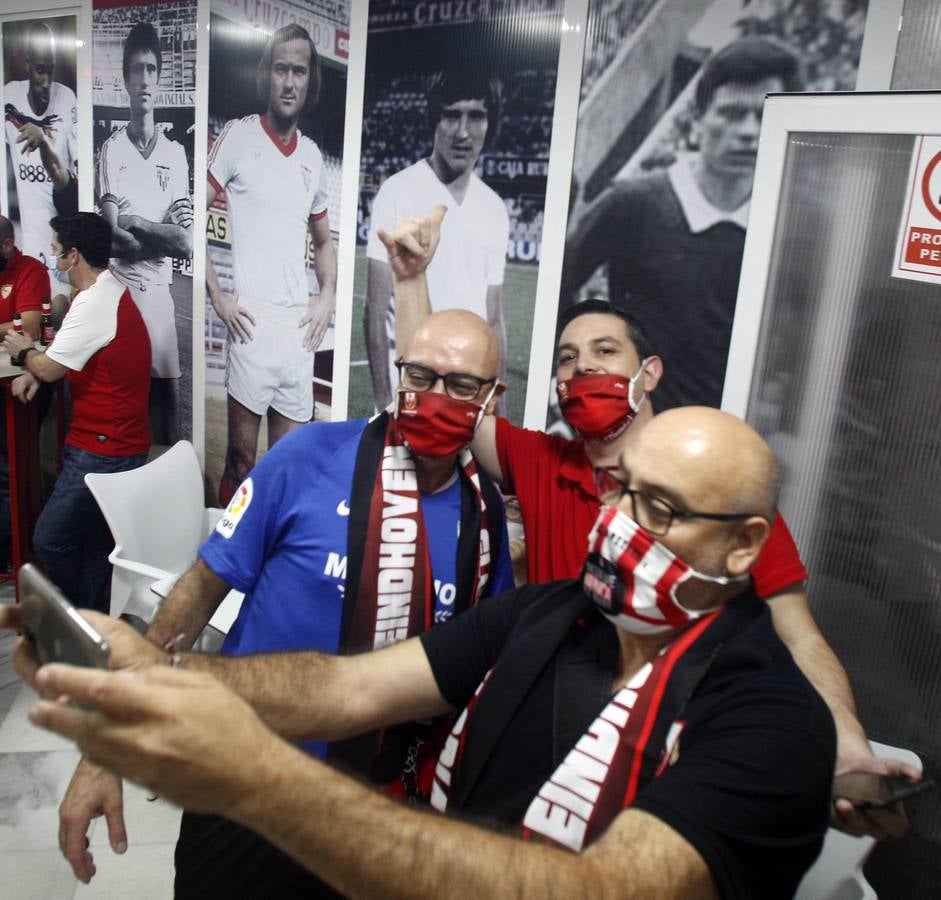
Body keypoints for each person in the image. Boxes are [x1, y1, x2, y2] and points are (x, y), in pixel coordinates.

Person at [16, 408, 865, 898]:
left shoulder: (771, 720)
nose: (615, 523)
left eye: (659, 508)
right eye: (617, 488)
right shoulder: (553, 613)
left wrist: (257, 778)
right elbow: (345, 689)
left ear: (746, 547)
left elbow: (603, 890)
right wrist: (160, 670)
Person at [387, 207, 915, 834]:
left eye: (604, 352)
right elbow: (436, 385)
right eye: (566, 358)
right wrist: (411, 278)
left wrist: (847, 745)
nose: (582, 369)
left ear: (650, 373)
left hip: (661, 764)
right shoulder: (539, 462)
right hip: (545, 745)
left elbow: (800, 638)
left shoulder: (720, 491)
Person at [54, 306, 513, 896]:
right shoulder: (309, 458)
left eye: (461, 385)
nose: (434, 396)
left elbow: (477, 666)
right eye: (419, 376)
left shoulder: (485, 520)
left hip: (373, 806)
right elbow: (197, 589)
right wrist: (107, 745)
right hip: (243, 775)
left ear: (491, 398)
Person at [561, 36, 803, 410]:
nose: (749, 131)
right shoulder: (632, 202)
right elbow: (561, 283)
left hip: (730, 440)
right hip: (632, 432)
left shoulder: (792, 223)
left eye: (764, 116)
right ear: (699, 115)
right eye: (732, 112)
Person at [207, 23, 337, 505]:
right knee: (241, 464)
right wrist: (218, 297)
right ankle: (224, 573)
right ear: (267, 74)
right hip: (252, 324)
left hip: (298, 332)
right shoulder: (239, 138)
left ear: (310, 80)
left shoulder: (312, 157)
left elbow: (325, 242)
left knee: (289, 471)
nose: (289, 81)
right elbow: (193, 213)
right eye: (281, 68)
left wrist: (327, 296)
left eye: (298, 71)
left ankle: (273, 573)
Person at [3, 212, 151, 613]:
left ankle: (77, 617)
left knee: (49, 539)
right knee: (95, 543)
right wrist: (41, 369)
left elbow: (49, 365)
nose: (51, 257)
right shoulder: (105, 294)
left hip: (103, 450)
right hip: (109, 443)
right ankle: (94, 620)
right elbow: (66, 359)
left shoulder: (94, 304)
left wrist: (25, 354)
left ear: (73, 256)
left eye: (54, 250)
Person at [365, 68, 509, 412]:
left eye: (476, 117)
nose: (463, 131)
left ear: (490, 124)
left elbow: (493, 317)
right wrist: (384, 402)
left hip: (467, 389)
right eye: (451, 115)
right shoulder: (398, 191)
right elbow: (373, 308)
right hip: (413, 386)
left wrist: (499, 409)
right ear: (434, 119)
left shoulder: (494, 207)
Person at [97, 21, 193, 445]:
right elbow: (110, 240)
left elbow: (185, 242)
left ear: (159, 76)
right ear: (125, 77)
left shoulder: (175, 156)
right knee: (125, 401)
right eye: (136, 69)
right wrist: (158, 233)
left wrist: (136, 222)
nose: (144, 78)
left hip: (158, 292)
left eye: (151, 69)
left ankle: (165, 487)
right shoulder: (111, 150)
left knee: (169, 402)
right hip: (120, 294)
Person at [3, 21, 78, 297]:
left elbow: (71, 184)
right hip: (27, 242)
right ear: (27, 63)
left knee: (59, 312)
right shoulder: (9, 97)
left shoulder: (67, 100)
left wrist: (44, 143)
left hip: (61, 243)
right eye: (40, 70)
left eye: (51, 69)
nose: (46, 81)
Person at [0, 216, 46, 566]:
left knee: (7, 469)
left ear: (6, 245)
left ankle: (10, 552)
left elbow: (27, 325)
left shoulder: (29, 270)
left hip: (17, 385)